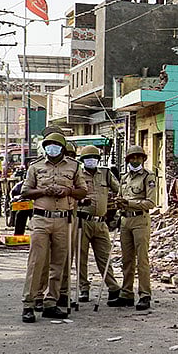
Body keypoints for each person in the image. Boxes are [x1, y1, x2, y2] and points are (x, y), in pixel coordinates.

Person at [19, 133, 86, 323]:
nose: (52, 148)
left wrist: (69, 191)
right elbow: (25, 191)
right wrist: (43, 191)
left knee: (59, 264)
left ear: (63, 147)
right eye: (49, 144)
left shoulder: (74, 166)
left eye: (56, 145)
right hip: (41, 219)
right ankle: (29, 304)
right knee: (36, 262)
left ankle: (51, 302)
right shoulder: (35, 166)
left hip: (63, 220)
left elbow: (82, 191)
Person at [109, 145, 157, 310]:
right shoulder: (124, 178)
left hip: (140, 221)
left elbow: (150, 203)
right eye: (132, 157)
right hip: (125, 221)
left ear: (143, 159)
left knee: (142, 259)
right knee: (126, 260)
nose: (135, 160)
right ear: (127, 159)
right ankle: (126, 293)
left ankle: (144, 295)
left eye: (138, 157)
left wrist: (129, 203)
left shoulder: (148, 177)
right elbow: (120, 198)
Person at [75, 145, 120, 303]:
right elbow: (72, 195)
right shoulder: (77, 174)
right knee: (81, 257)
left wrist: (116, 202)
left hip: (101, 222)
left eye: (94, 158)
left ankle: (113, 287)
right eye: (88, 158)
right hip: (82, 221)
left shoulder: (106, 174)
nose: (91, 160)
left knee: (104, 256)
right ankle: (83, 288)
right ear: (83, 160)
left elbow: (119, 189)